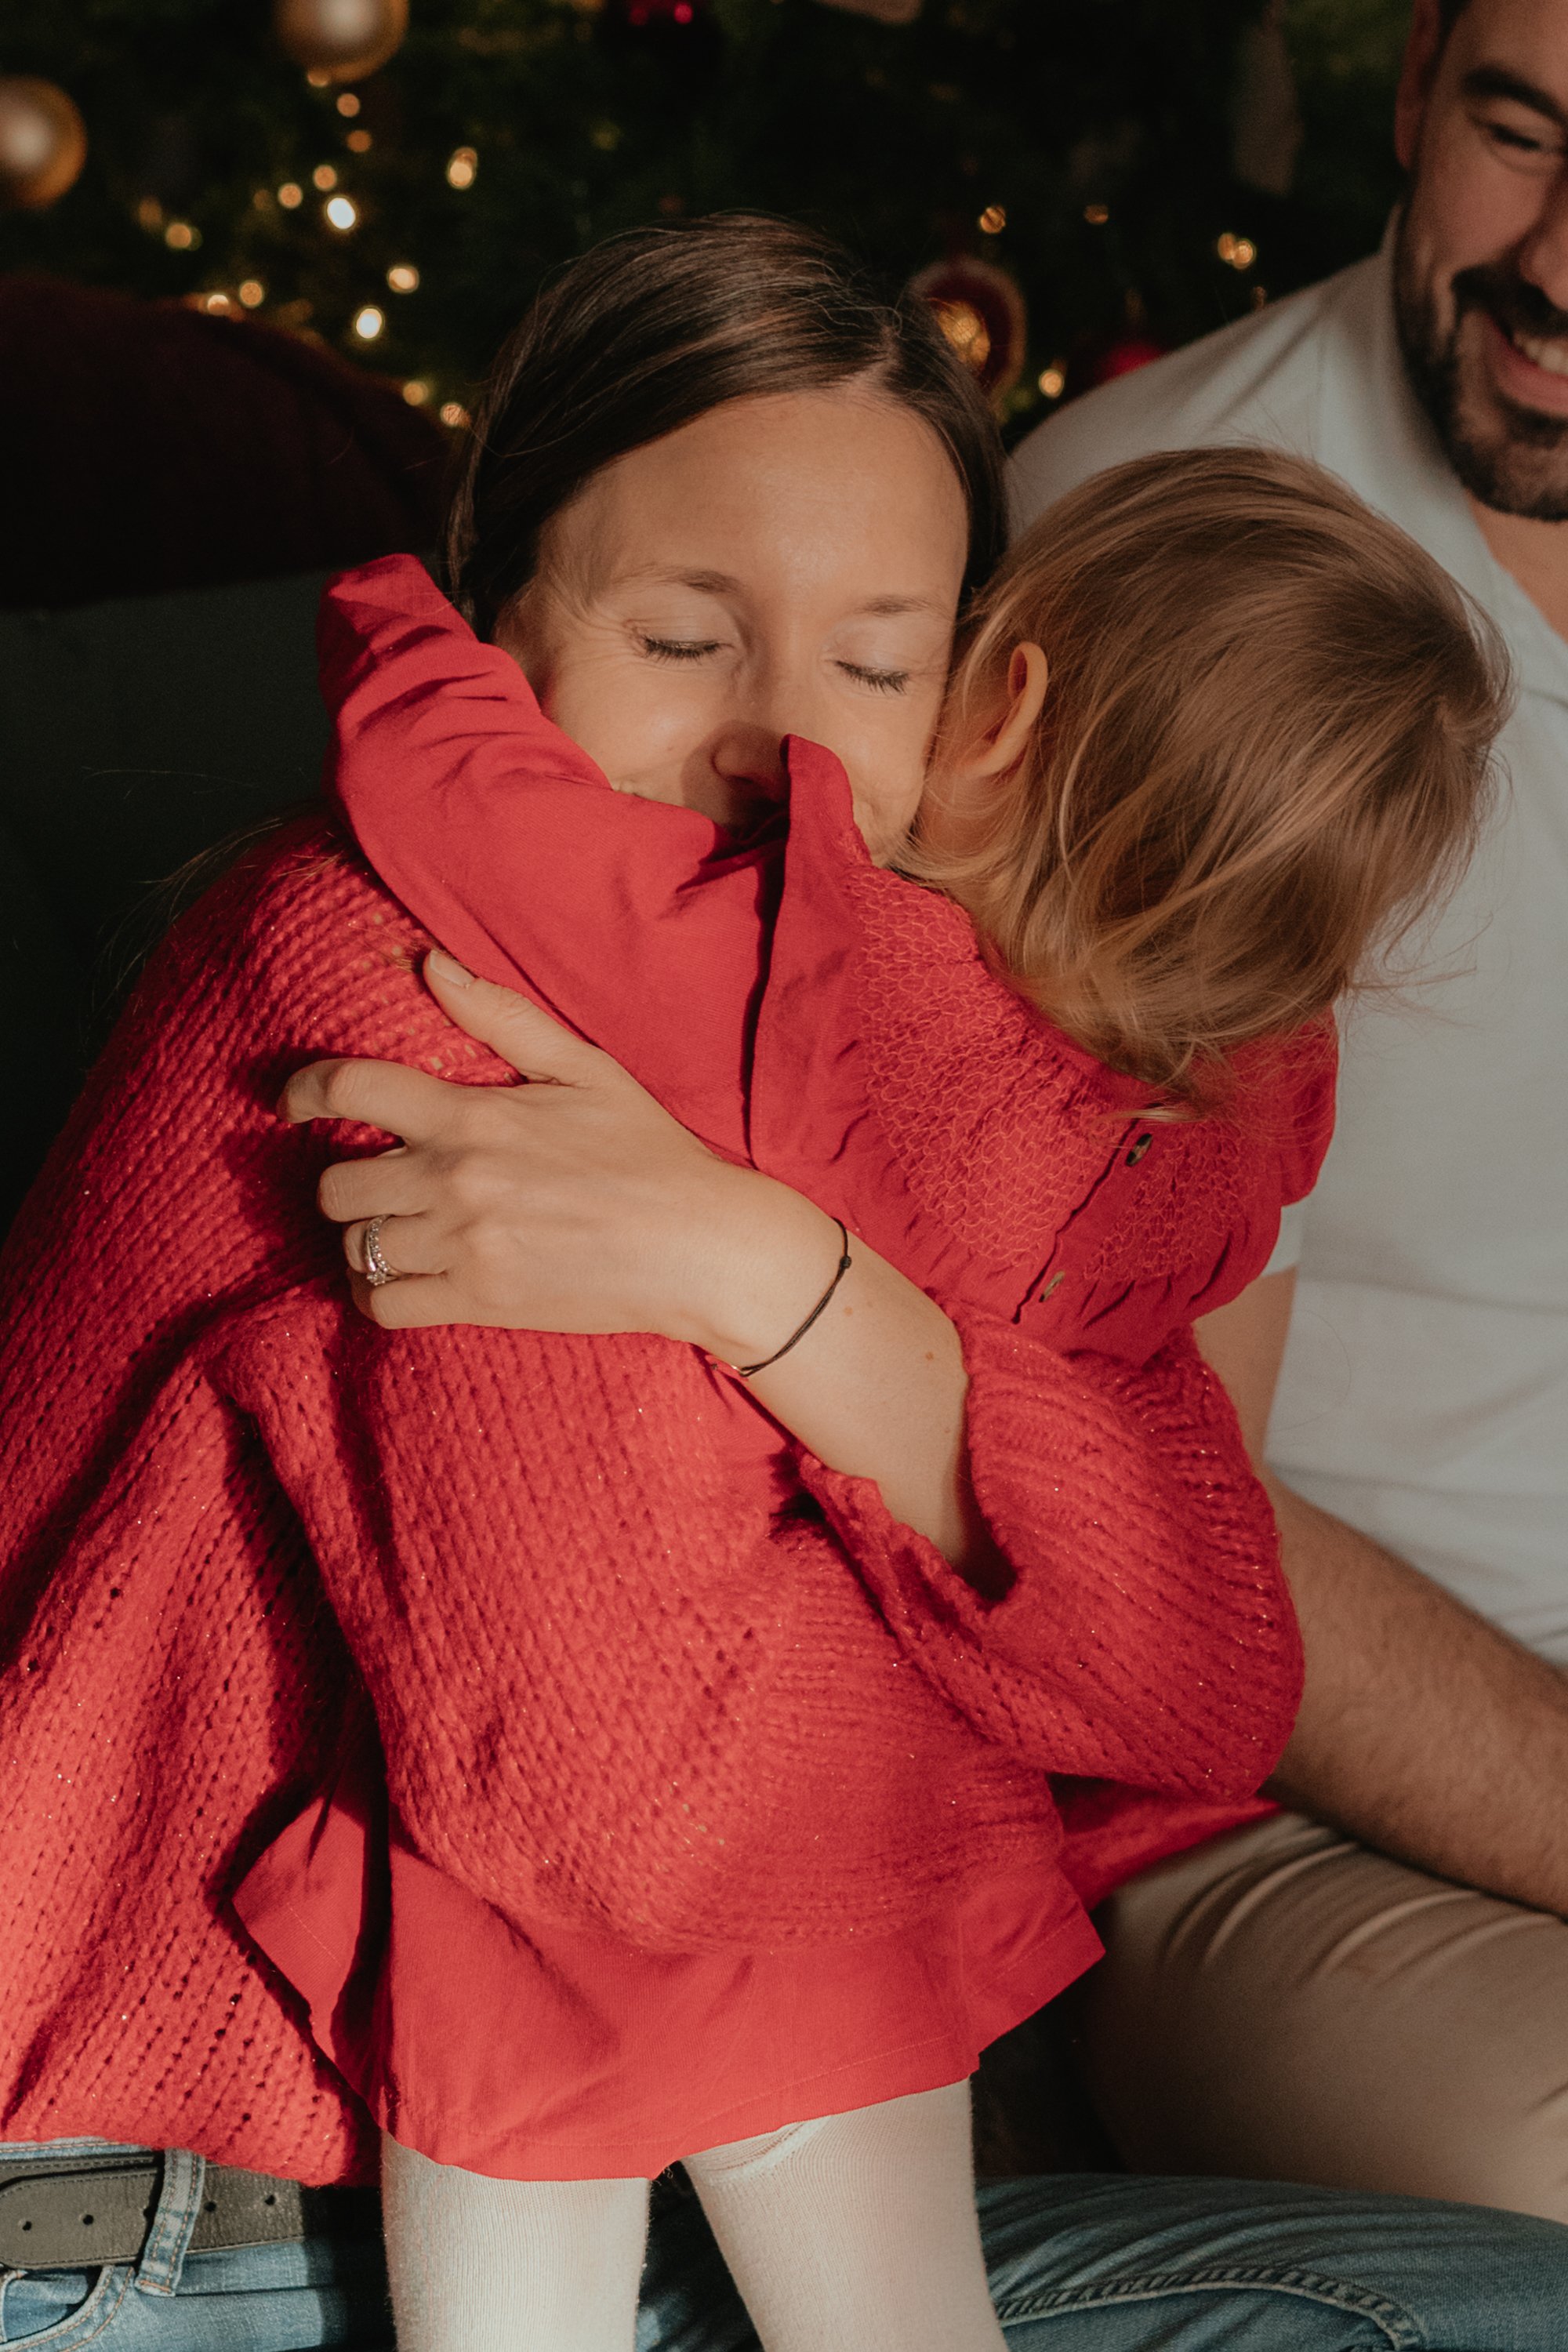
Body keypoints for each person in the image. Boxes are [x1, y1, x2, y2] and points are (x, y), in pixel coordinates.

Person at [0, 216, 1551, 2352]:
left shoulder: (872, 1043)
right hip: (183, 2208)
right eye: (681, 634)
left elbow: (1204, 1679)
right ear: (494, 610)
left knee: (1490, 2302)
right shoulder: (418, 982)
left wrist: (779, 1282)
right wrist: (936, 1437)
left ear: (991, 694)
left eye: (878, 659)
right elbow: (615, 1795)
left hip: (637, 2114)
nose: (787, 754)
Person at [1001, 0, 1568, 2220]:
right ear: (1414, 84)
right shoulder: (1166, 552)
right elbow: (1094, 1449)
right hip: (1263, 1790)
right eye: (1524, 131)